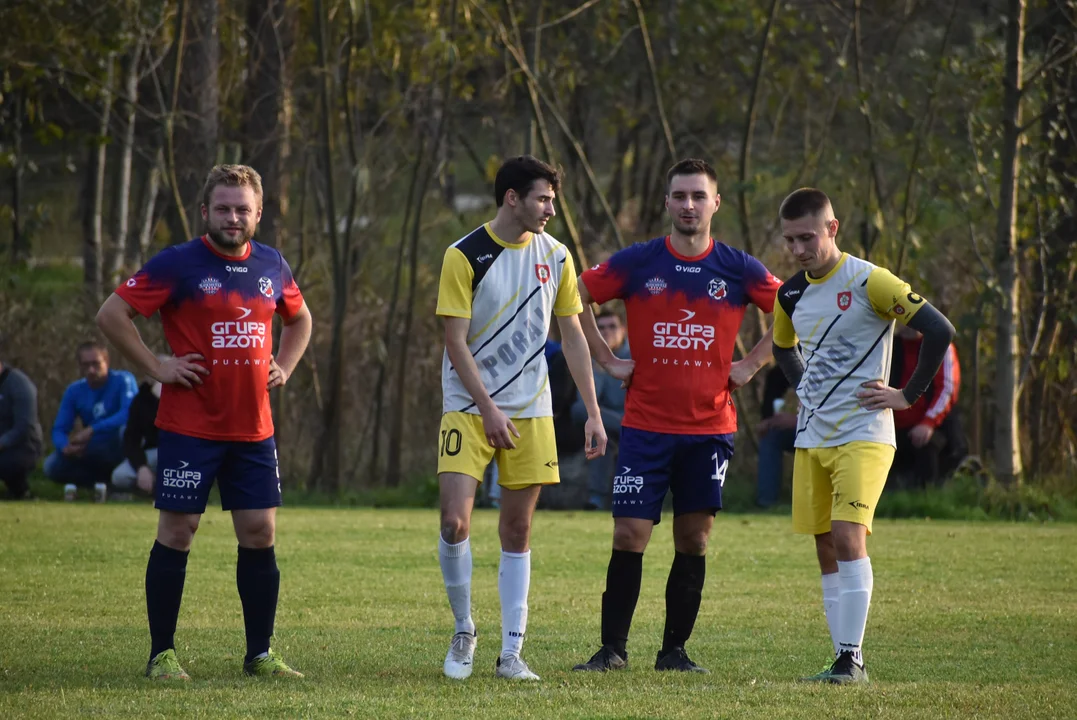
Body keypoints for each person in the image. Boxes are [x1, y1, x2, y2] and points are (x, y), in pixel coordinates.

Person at [95, 164, 313, 681]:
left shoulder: (272, 264)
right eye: (223, 208)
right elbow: (111, 314)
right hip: (189, 426)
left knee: (259, 532)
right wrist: (158, 367)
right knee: (178, 530)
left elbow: (300, 319)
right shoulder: (177, 263)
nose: (233, 218)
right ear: (205, 213)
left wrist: (285, 363)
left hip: (254, 429)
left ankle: (260, 654)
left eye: (242, 209)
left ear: (258, 213)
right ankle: (162, 655)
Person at [572, 158, 781, 674]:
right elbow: (574, 293)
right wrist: (604, 356)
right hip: (645, 427)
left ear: (715, 203)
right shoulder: (639, 261)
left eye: (698, 196)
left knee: (694, 539)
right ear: (667, 203)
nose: (689, 205)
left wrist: (753, 363)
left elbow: (793, 308)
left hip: (709, 430)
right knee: (629, 535)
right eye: (679, 196)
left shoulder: (739, 267)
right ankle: (612, 650)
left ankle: (674, 652)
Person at [770, 188, 955, 684]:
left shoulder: (871, 281)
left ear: (832, 228)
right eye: (790, 240)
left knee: (849, 535)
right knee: (825, 543)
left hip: (865, 433)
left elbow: (939, 330)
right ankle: (841, 660)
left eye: (807, 237)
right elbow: (782, 348)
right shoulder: (788, 294)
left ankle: (852, 660)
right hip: (813, 438)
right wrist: (803, 384)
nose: (799, 249)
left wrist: (906, 396)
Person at [435, 155, 608, 682]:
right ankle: (465, 628)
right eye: (543, 199)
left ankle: (512, 652)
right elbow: (453, 339)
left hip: (533, 411)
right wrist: (486, 408)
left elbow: (573, 335)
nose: (551, 210)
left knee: (518, 527)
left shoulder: (557, 257)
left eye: (553, 200)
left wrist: (594, 413)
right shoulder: (464, 255)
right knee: (454, 521)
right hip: (468, 407)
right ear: (512, 198)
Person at [44, 342, 137, 502]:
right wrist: (64, 446)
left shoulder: (123, 380)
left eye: (96, 364)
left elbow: (129, 413)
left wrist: (92, 430)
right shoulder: (74, 391)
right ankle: (98, 486)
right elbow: (59, 428)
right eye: (85, 365)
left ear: (106, 361)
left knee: (126, 431)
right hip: (91, 447)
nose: (91, 370)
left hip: (116, 444)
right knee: (51, 465)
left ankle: (123, 487)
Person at [889, 324, 966, 488]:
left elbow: (947, 389)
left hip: (933, 427)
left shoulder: (940, 346)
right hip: (892, 427)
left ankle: (927, 499)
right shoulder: (889, 347)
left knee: (928, 449)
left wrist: (928, 422)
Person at [570, 309, 631, 510]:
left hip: (632, 418)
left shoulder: (635, 356)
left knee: (602, 435)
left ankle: (596, 499)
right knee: (593, 426)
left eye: (612, 327)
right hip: (604, 422)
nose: (606, 332)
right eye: (601, 328)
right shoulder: (587, 356)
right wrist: (599, 370)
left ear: (623, 329)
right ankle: (596, 500)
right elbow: (586, 404)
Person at [112, 362, 168, 495]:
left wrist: (162, 399)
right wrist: (141, 467)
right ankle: (150, 489)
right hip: (154, 454)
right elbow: (131, 439)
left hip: (180, 455)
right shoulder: (141, 401)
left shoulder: (188, 397)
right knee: (119, 476)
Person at [0, 355, 44, 500]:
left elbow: (24, 426)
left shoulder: (18, 384)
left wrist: (2, 442)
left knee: (7, 463)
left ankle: (20, 490)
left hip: (24, 447)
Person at [755, 365, 797, 508]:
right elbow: (767, 416)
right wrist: (767, 422)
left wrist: (799, 420)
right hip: (793, 432)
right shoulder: (778, 373)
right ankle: (767, 502)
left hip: (825, 430)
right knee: (770, 436)